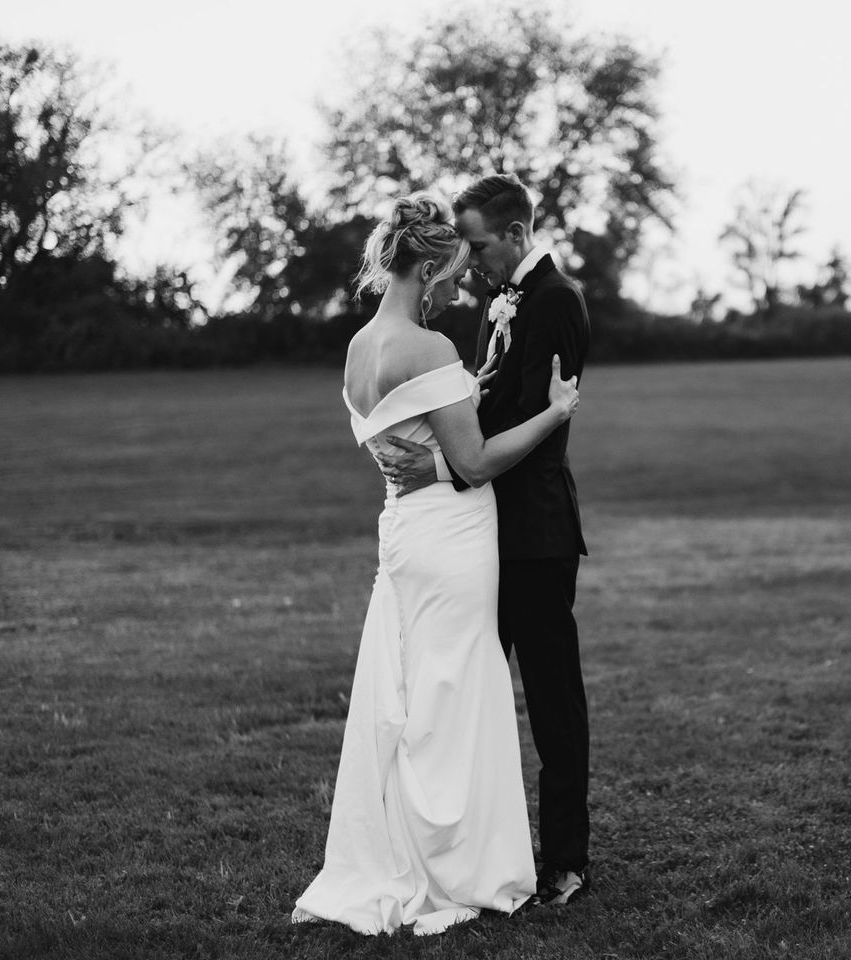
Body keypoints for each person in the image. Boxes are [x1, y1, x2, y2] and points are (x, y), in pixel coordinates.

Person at [291, 192, 580, 937]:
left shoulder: (361, 349)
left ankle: (405, 846)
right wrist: (553, 412)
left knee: (414, 692)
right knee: (459, 693)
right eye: (450, 277)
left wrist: (467, 394)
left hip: (402, 533)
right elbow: (475, 461)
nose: (460, 291)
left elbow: (408, 433)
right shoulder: (432, 349)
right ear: (423, 268)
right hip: (453, 539)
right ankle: (458, 858)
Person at [377, 173, 592, 906]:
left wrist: (440, 462)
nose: (471, 266)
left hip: (533, 532)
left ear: (518, 235)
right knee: (467, 696)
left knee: (551, 698)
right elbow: (477, 403)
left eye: (478, 247)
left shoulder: (559, 302)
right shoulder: (495, 305)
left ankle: (566, 857)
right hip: (475, 532)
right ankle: (466, 852)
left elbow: (530, 419)